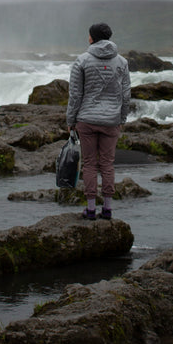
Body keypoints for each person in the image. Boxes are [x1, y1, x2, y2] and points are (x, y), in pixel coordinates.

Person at [66, 22, 132, 220]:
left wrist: (71, 120)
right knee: (107, 164)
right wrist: (121, 118)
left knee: (89, 164)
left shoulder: (81, 61)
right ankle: (108, 209)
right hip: (111, 121)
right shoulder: (122, 62)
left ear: (92, 37)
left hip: (86, 120)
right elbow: (126, 94)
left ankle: (91, 209)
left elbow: (75, 95)